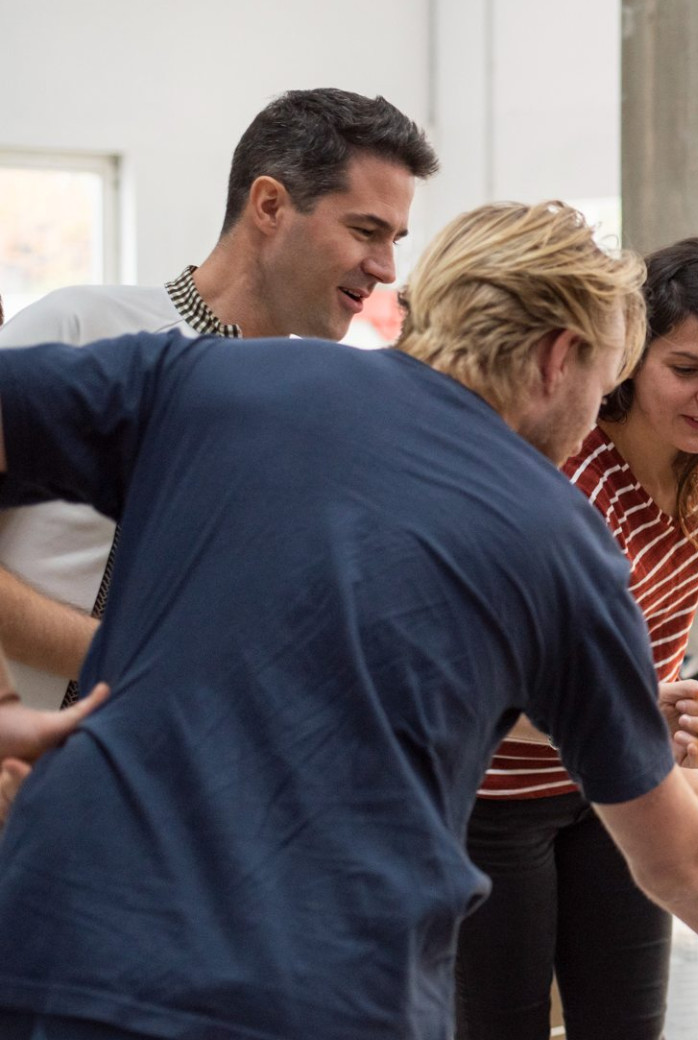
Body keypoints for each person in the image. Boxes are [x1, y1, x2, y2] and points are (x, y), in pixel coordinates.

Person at [0, 200, 698, 1040]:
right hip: (316, 986)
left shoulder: (219, 381)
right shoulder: (556, 536)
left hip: (58, 937)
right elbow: (681, 859)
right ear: (561, 357)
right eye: (607, 374)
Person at [0, 87, 438, 710]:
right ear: (269, 206)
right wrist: (132, 659)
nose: (387, 268)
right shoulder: (80, 328)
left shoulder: (315, 408)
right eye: (366, 230)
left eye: (395, 238)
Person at [454, 236, 698, 1040]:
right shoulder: (574, 478)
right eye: (688, 368)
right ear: (629, 362)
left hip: (606, 792)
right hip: (497, 799)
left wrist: (673, 761)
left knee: (629, 1024)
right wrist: (630, 727)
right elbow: (488, 692)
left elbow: (644, 675)